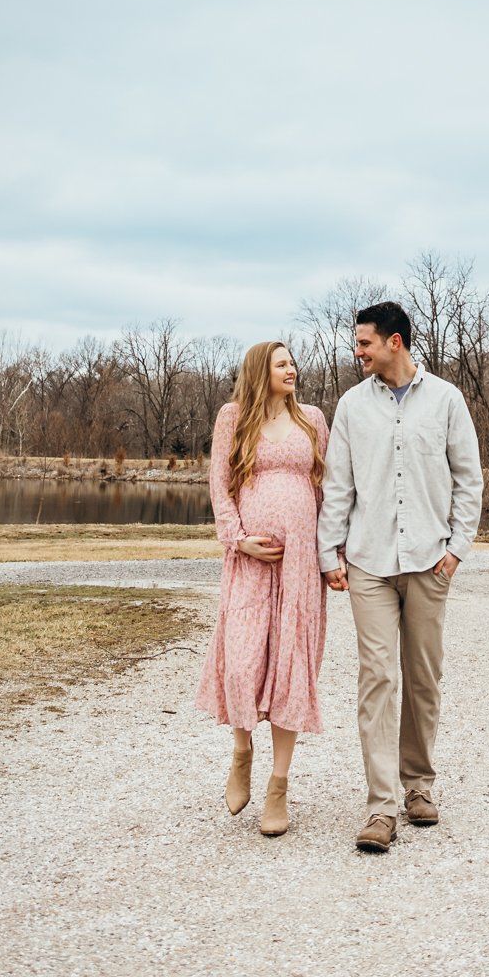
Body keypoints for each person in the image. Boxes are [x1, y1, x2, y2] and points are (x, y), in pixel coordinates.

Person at [317, 301, 483, 853]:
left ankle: (419, 787)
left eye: (364, 343)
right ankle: (381, 807)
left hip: (429, 561)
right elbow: (338, 485)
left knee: (423, 678)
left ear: (395, 341)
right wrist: (329, 553)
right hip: (368, 563)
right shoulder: (350, 406)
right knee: (377, 679)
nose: (356, 351)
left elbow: (468, 479)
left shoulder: (447, 400)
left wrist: (457, 549)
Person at [195, 340, 330, 837]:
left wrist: (328, 552)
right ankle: (241, 750)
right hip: (250, 562)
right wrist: (237, 540)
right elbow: (219, 486)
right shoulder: (234, 417)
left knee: (291, 668)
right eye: (281, 363)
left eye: (293, 362)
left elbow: (324, 489)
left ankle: (278, 787)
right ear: (261, 371)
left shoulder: (313, 418)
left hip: (299, 565)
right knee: (245, 655)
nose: (291, 369)